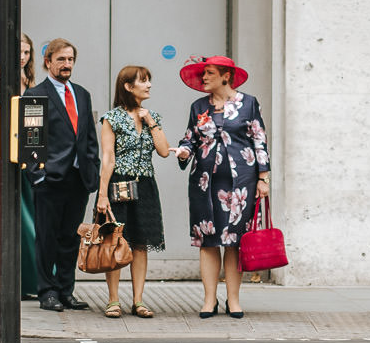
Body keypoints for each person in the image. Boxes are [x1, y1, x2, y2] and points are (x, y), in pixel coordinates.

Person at [175, 55, 270, 320]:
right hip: (205, 183)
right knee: (208, 241)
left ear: (226, 76)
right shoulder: (198, 106)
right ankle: (208, 300)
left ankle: (234, 300)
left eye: (210, 73)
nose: (203, 78)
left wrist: (264, 178)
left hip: (241, 183)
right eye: (203, 73)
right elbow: (190, 139)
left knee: (234, 242)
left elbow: (259, 140)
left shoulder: (249, 104)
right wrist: (183, 152)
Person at [24, 38, 99, 312]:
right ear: (48, 62)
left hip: (79, 179)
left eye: (70, 60)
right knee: (47, 238)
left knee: (70, 238)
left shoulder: (82, 94)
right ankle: (47, 292)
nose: (66, 65)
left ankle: (66, 290)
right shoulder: (35, 94)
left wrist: (93, 169)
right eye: (61, 60)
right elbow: (31, 141)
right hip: (50, 179)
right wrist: (38, 175)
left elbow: (89, 137)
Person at [95, 65, 171, 319]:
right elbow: (107, 157)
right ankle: (113, 299)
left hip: (145, 185)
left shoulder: (153, 116)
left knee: (140, 244)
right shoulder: (112, 118)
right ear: (128, 86)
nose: (148, 85)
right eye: (143, 81)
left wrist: (151, 123)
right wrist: (102, 194)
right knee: (114, 240)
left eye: (149, 80)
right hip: (117, 184)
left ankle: (138, 300)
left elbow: (163, 150)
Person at [18, 32, 40, 300]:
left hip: (31, 157)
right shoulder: (0, 81)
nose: (22, 57)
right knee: (21, 222)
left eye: (26, 53)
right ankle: (22, 281)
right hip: (9, 158)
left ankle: (33, 281)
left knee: (34, 220)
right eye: (18, 52)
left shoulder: (30, 81)